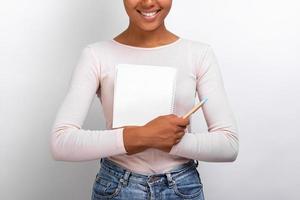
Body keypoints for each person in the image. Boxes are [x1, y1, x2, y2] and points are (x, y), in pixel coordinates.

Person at [50, 0, 239, 199]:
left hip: (182, 188)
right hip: (116, 188)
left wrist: (171, 142)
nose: (148, 2)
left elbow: (228, 145)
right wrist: (145, 136)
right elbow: (61, 142)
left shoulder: (199, 54)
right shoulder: (96, 55)